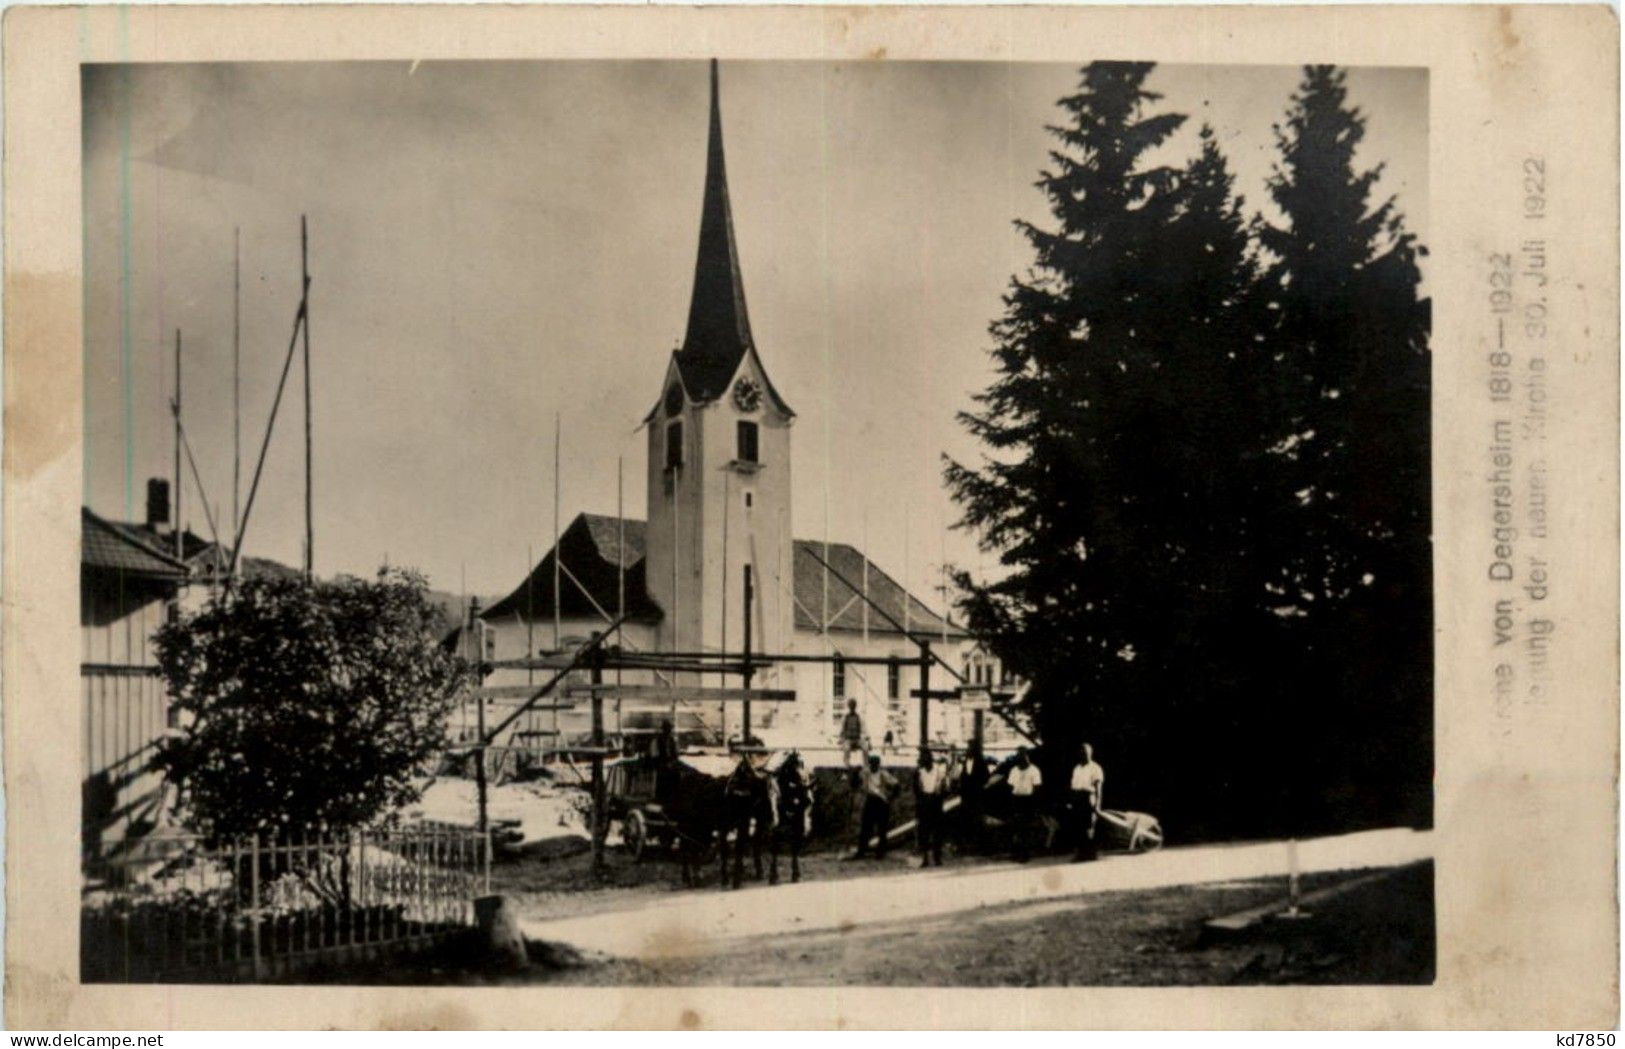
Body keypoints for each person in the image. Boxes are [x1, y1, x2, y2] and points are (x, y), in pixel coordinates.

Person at [852, 754, 898, 859]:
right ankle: (861, 851)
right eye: (871, 764)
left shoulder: (883, 774)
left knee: (882, 828)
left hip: (881, 801)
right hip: (870, 800)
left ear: (878, 764)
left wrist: (891, 798)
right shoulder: (865, 773)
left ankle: (880, 852)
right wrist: (855, 773)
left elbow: (896, 784)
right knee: (866, 827)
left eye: (875, 764)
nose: (873, 766)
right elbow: (855, 783)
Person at [1069, 742, 1105, 861]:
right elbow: (1074, 786)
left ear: (1091, 753)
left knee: (1089, 827)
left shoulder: (1096, 768)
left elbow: (1098, 788)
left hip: (1088, 797)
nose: (1084, 754)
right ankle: (1081, 854)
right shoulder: (1077, 768)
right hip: (1077, 798)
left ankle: (1091, 854)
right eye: (1082, 752)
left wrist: (1097, 804)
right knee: (1078, 827)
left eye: (1087, 753)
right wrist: (1071, 800)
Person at [1007, 746, 1043, 862]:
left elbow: (1037, 789)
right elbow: (1010, 787)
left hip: (1028, 801)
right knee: (1016, 828)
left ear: (1027, 756)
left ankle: (1025, 854)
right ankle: (1017, 853)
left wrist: (1035, 806)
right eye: (1018, 755)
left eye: (1023, 755)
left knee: (1026, 829)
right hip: (1016, 800)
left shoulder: (1034, 770)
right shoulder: (1014, 770)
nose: (1020, 757)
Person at [914, 748, 948, 868]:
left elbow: (943, 788)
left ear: (930, 758)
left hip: (935, 803)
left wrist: (937, 796)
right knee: (924, 832)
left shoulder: (938, 771)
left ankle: (937, 857)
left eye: (926, 757)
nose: (924, 760)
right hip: (924, 804)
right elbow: (917, 790)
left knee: (937, 831)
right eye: (922, 758)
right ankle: (925, 858)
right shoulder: (920, 772)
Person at [957, 741, 990, 850]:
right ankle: (966, 845)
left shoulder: (981, 762)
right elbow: (962, 777)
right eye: (967, 748)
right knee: (965, 819)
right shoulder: (965, 762)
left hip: (977, 795)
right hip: (966, 796)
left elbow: (986, 777)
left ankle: (982, 846)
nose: (968, 750)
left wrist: (977, 786)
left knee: (979, 820)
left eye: (970, 748)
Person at [652, 718, 680, 804]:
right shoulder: (657, 740)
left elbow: (675, 754)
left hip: (671, 767)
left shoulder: (672, 740)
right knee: (662, 787)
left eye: (669, 729)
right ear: (663, 729)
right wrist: (662, 764)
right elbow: (654, 755)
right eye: (667, 729)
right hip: (662, 767)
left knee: (674, 783)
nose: (669, 731)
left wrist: (673, 762)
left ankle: (673, 801)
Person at [839, 699, 866, 778]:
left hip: (857, 739)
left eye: (853, 705)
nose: (852, 707)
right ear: (849, 706)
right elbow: (842, 729)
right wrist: (841, 738)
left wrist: (865, 738)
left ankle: (865, 766)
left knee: (866, 747)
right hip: (848, 739)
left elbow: (863, 729)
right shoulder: (845, 717)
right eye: (851, 705)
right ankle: (846, 767)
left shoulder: (859, 717)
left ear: (855, 706)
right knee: (846, 749)